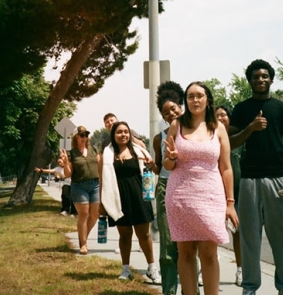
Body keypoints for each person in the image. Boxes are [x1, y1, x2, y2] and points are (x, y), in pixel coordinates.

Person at [228, 59, 283, 295]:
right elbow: (230, 142)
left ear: (271, 79)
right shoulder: (240, 109)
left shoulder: (281, 108)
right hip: (248, 180)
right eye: (256, 76)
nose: (261, 79)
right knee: (250, 239)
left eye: (265, 75)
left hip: (278, 179)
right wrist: (250, 128)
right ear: (250, 80)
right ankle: (250, 288)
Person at [163, 81, 238, 295]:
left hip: (211, 197)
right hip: (180, 197)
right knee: (185, 253)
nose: (195, 100)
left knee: (208, 253)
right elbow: (166, 165)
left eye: (199, 96)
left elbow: (226, 168)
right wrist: (171, 157)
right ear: (185, 101)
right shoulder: (177, 125)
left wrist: (230, 203)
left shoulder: (218, 127)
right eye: (190, 96)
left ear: (207, 99)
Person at [152, 81, 202, 295]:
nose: (170, 113)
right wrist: (151, 164)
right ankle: (169, 291)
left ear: (181, 106)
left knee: (190, 247)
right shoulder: (159, 138)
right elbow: (159, 167)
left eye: (173, 108)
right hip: (166, 188)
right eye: (165, 112)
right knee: (168, 248)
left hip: (191, 189)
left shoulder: (197, 132)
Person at [100, 121, 161, 283]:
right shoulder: (107, 154)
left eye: (126, 132)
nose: (123, 135)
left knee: (144, 234)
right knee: (125, 235)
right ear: (113, 135)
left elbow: (155, 170)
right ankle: (126, 269)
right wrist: (102, 204)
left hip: (140, 197)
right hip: (118, 199)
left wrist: (150, 162)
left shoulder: (139, 150)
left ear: (130, 134)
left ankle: (152, 268)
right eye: (119, 132)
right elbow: (103, 180)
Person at [61, 126, 101, 255]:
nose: (84, 138)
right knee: (84, 215)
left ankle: (83, 237)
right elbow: (67, 174)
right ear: (76, 137)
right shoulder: (71, 153)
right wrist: (66, 163)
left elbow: (101, 166)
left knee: (95, 215)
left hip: (95, 185)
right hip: (79, 186)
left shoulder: (94, 149)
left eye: (86, 135)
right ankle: (83, 244)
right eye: (81, 135)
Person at [215, 105, 243, 286]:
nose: (220, 118)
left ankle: (240, 270)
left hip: (238, 192)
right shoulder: (210, 137)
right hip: (215, 192)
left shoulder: (238, 138)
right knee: (211, 234)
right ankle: (207, 270)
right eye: (216, 116)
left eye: (223, 115)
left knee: (238, 233)